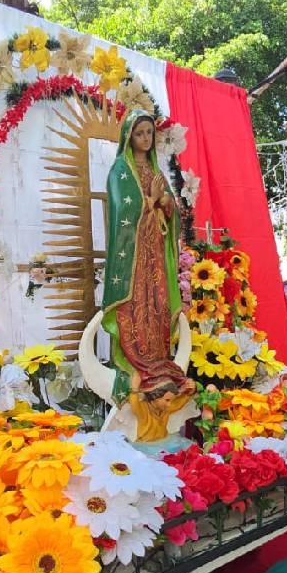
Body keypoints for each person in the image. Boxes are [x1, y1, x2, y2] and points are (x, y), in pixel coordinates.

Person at [101, 109, 195, 424]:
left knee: (157, 305)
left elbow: (173, 214)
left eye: (149, 133)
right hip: (132, 259)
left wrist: (165, 203)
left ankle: (159, 362)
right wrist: (150, 201)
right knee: (135, 305)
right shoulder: (120, 170)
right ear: (129, 136)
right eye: (139, 133)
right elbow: (121, 212)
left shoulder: (156, 170)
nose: (145, 139)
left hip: (156, 253)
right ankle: (137, 364)